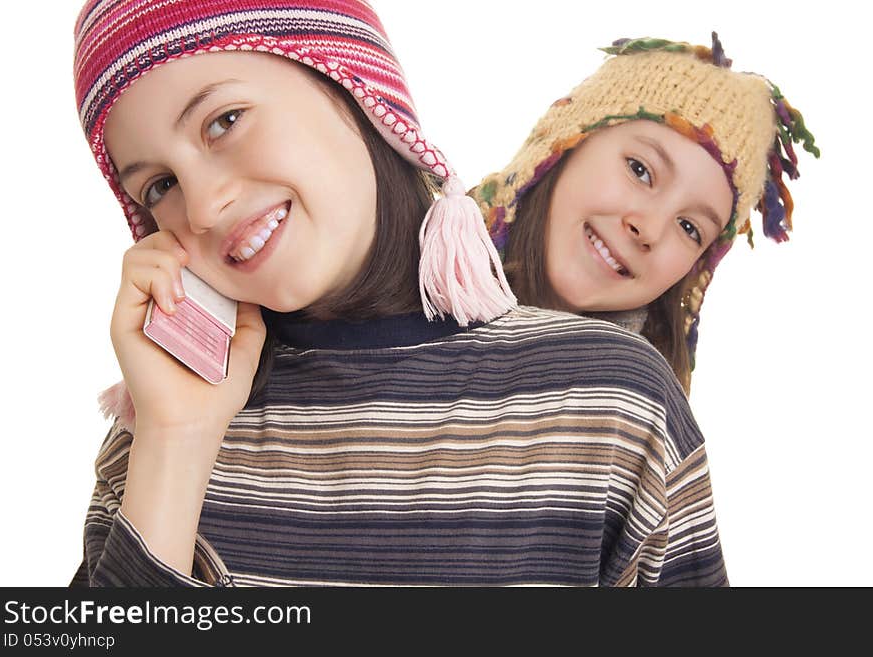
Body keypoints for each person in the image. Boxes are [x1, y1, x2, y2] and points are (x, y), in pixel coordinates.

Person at [70, 1, 727, 587]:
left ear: (354, 86)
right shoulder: (156, 434)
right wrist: (179, 441)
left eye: (224, 121)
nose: (205, 208)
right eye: (159, 186)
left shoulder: (612, 403)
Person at [473, 35, 819, 392]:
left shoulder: (641, 412)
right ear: (567, 140)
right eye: (640, 170)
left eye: (689, 227)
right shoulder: (417, 264)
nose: (650, 229)